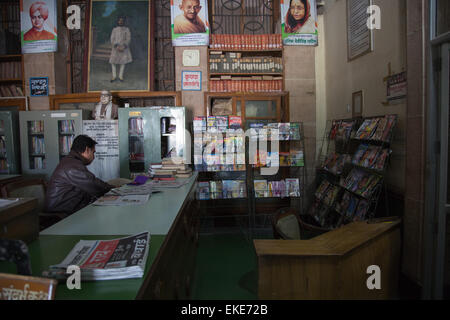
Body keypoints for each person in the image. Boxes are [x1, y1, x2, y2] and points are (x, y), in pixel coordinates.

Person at [44, 135, 114, 215]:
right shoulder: (72, 165)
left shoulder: (70, 161)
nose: (94, 157)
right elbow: (93, 185)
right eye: (93, 152)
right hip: (58, 216)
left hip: (66, 211)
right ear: (87, 150)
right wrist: (115, 189)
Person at [109, 16, 132, 82]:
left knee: (123, 62)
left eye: (122, 21)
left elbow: (128, 38)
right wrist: (116, 46)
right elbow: (112, 39)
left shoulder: (126, 29)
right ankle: (114, 76)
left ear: (124, 21)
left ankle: (120, 76)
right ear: (117, 21)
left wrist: (124, 46)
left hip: (123, 48)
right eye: (119, 20)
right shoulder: (114, 29)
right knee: (113, 62)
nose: (121, 22)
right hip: (116, 48)